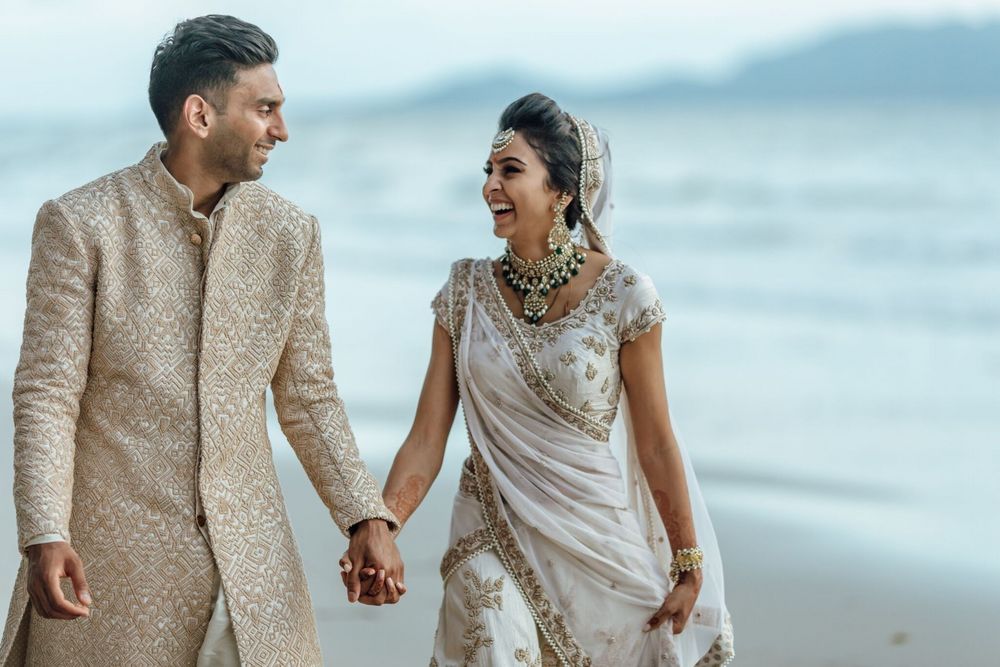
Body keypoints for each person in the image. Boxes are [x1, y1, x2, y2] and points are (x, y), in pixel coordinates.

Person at [0, 15, 403, 666]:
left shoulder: (290, 235)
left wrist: (366, 518)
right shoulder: (81, 223)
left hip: (253, 573)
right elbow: (47, 393)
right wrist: (45, 532)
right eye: (265, 108)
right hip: (114, 573)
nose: (281, 129)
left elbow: (309, 397)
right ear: (199, 114)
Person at [342, 93, 735, 665]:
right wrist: (381, 526)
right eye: (489, 171)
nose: (490, 187)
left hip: (594, 541)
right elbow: (427, 438)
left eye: (511, 170)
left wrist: (686, 561)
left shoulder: (625, 295)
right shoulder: (465, 294)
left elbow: (654, 441)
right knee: (487, 610)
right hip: (490, 527)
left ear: (563, 191)